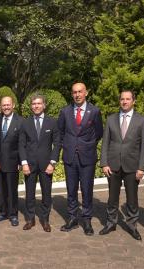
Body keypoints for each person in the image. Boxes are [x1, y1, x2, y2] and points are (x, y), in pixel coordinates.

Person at [99, 90, 144, 240]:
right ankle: (111, 223)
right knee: (112, 198)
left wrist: (142, 167)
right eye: (122, 99)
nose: (125, 102)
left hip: (132, 166)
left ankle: (132, 225)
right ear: (119, 101)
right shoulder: (111, 119)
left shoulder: (142, 120)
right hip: (112, 165)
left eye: (128, 99)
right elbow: (105, 142)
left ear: (134, 101)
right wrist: (104, 163)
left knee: (132, 199)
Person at [58, 82, 103, 235]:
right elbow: (61, 133)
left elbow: (98, 133)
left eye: (80, 92)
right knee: (71, 190)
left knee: (87, 190)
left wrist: (86, 145)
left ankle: (87, 220)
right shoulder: (65, 111)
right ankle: (72, 218)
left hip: (87, 157)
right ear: (72, 94)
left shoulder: (95, 111)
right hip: (70, 157)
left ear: (86, 93)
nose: (77, 95)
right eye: (74, 92)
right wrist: (69, 145)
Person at [19, 95, 60, 232]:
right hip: (29, 165)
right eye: (34, 104)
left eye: (39, 103)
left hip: (46, 165)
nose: (36, 106)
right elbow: (21, 145)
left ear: (44, 105)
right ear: (31, 106)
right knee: (29, 194)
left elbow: (57, 144)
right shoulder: (25, 123)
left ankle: (45, 219)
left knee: (46, 194)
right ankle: (30, 219)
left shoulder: (52, 122)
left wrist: (52, 163)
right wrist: (24, 163)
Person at [0, 96, 24, 227]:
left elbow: (22, 143)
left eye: (8, 105)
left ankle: (13, 214)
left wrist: (21, 161)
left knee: (12, 190)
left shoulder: (20, 121)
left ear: (13, 105)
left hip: (13, 162)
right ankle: (3, 212)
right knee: (2, 189)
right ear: (1, 106)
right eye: (4, 105)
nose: (6, 107)